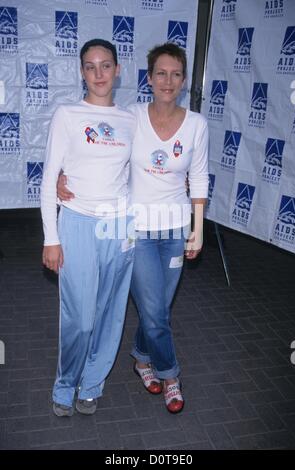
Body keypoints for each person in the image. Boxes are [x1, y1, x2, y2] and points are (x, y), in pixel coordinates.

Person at [57, 42, 209, 414]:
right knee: (155, 310)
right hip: (134, 229)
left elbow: (199, 178)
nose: (167, 81)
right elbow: (103, 153)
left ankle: (141, 357)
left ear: (185, 80)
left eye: (175, 74)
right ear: (149, 77)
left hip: (174, 230)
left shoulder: (197, 125)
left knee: (159, 309)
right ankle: (169, 374)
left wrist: (197, 229)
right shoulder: (131, 117)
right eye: (160, 73)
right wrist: (65, 174)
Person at [40, 39, 136, 417]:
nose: (99, 73)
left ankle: (92, 384)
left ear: (117, 70)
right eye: (91, 66)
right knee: (79, 318)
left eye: (106, 65)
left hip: (121, 226)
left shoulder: (132, 120)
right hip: (77, 222)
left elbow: (139, 173)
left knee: (111, 313)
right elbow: (50, 179)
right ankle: (65, 386)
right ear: (82, 72)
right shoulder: (67, 115)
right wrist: (52, 237)